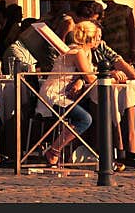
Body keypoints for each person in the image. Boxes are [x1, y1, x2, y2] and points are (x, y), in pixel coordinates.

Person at [37, 21, 98, 167]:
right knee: (85, 119)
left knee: (91, 109)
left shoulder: (79, 51)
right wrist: (111, 77)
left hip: (62, 93)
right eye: (97, 37)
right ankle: (54, 151)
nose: (99, 40)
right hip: (54, 96)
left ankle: (82, 151)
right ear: (90, 38)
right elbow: (90, 77)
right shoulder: (78, 52)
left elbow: (83, 77)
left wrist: (81, 82)